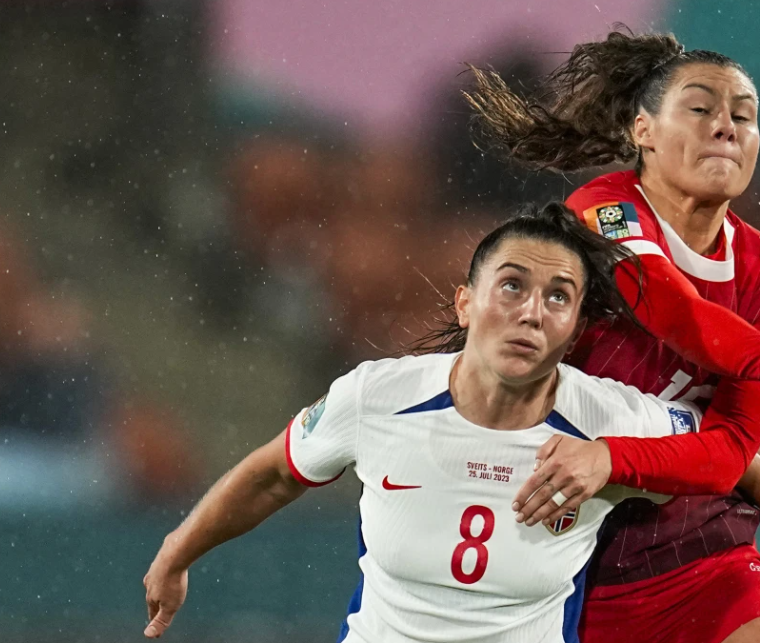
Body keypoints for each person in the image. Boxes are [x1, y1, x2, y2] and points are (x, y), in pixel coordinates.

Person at [466, 28, 760, 643]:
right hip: (564, 561)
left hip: (701, 557)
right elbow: (669, 309)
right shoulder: (602, 211)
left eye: (744, 115)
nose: (726, 127)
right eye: (700, 109)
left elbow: (730, 454)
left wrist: (613, 458)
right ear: (643, 131)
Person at [141, 203, 716, 642]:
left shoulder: (612, 421)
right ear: (465, 303)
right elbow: (274, 473)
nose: (531, 312)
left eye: (558, 297)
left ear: (575, 328)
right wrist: (178, 551)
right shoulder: (376, 396)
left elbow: (738, 459)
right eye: (512, 285)